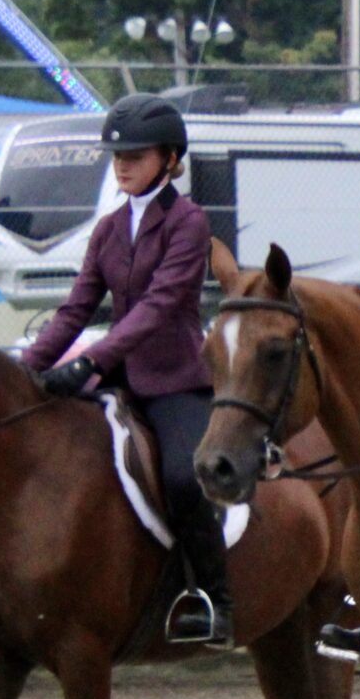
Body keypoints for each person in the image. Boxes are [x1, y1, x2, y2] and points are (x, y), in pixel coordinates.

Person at [19, 93, 233, 647]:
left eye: (136, 154)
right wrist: (28, 368)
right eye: (117, 155)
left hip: (174, 381)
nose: (123, 164)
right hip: (116, 379)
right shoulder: (108, 229)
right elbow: (76, 309)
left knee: (186, 480)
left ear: (169, 158)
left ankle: (214, 599)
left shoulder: (189, 222)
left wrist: (91, 360)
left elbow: (157, 309)